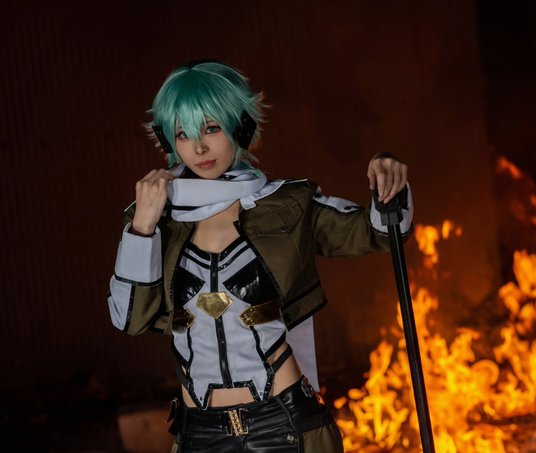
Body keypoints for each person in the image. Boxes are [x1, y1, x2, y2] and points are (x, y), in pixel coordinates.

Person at [107, 60, 413, 453]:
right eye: (183, 134)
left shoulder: (287, 203)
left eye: (211, 128)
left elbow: (380, 232)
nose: (198, 148)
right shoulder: (156, 220)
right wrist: (143, 227)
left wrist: (387, 180)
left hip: (283, 425)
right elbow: (129, 319)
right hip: (200, 434)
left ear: (242, 126)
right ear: (169, 143)